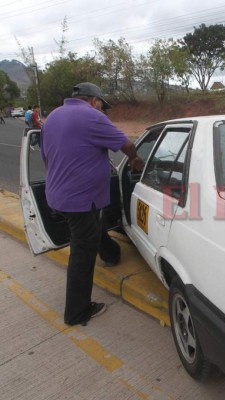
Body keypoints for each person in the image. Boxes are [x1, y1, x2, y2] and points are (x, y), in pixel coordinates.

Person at [41, 82, 145, 326]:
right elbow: (127, 145)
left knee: (92, 230)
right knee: (82, 254)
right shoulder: (92, 116)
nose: (103, 111)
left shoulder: (53, 116)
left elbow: (47, 156)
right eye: (103, 106)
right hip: (81, 200)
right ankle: (77, 312)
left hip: (58, 195)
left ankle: (111, 253)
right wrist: (135, 159)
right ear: (95, 101)